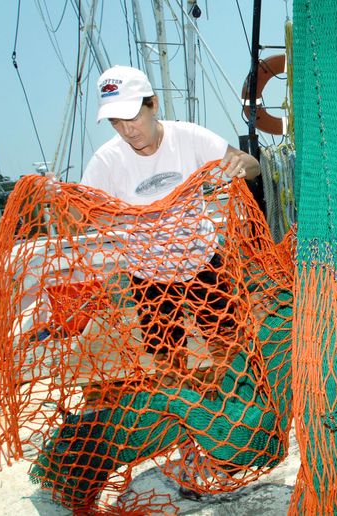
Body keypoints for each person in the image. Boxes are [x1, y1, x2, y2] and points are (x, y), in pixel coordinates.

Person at [75, 64, 260, 375]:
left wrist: (240, 164)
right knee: (167, 363)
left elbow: (253, 165)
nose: (127, 129)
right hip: (148, 275)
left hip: (202, 262)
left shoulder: (188, 137)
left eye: (132, 117)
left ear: (153, 105)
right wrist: (67, 203)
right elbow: (78, 211)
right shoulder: (106, 161)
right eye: (115, 122)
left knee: (228, 347)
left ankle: (233, 403)